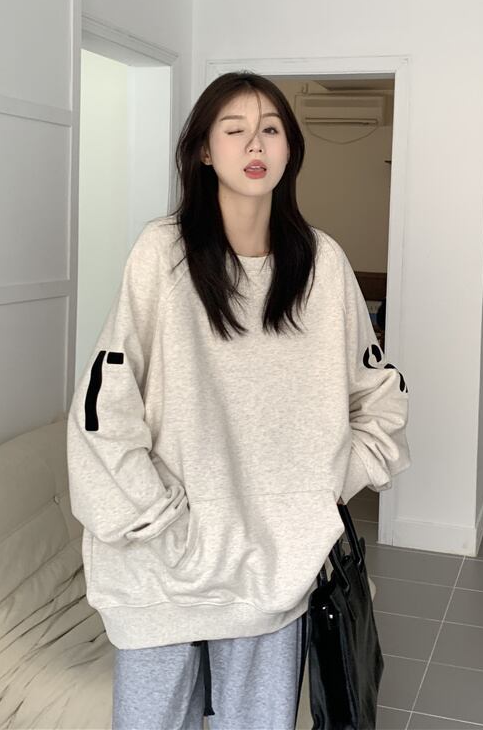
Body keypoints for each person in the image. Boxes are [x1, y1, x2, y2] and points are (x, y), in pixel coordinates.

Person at [66, 71, 411, 730]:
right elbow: (105, 406)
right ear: (204, 149)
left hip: (275, 573)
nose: (255, 144)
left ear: (290, 149)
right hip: (162, 569)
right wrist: (157, 519)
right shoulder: (162, 254)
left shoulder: (323, 265)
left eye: (271, 129)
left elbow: (381, 397)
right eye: (235, 129)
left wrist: (320, 491)